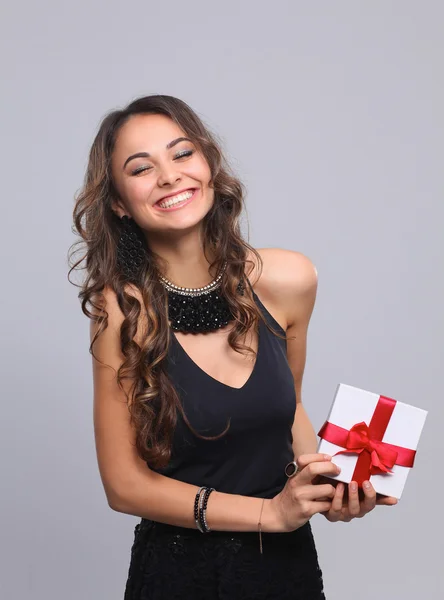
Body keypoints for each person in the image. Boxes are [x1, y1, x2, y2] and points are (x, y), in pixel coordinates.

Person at [69, 94, 398, 599]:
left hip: (286, 569)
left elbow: (288, 411)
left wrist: (329, 485)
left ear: (207, 165)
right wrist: (270, 513)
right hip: (178, 575)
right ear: (118, 202)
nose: (169, 175)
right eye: (141, 168)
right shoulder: (121, 312)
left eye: (182, 154)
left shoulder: (288, 278)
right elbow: (123, 484)